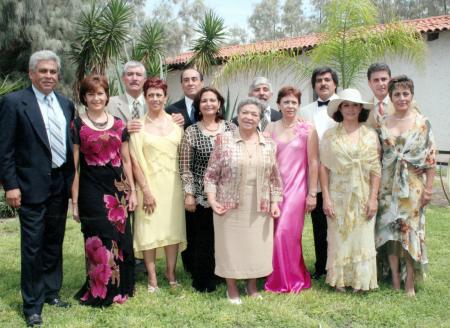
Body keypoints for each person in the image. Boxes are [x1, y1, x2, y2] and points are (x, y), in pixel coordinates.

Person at [0, 50, 75, 327]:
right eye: (43, 71)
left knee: (54, 241)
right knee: (33, 246)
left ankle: (51, 292)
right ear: (32, 73)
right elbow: (4, 149)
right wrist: (11, 185)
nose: (48, 76)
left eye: (53, 72)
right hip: (30, 187)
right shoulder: (13, 102)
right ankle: (32, 305)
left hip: (59, 184)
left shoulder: (66, 104)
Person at [204, 97, 282, 304]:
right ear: (238, 115)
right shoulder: (224, 140)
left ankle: (252, 285)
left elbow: (274, 177)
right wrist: (212, 199)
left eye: (254, 114)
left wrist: (275, 202)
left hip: (260, 203)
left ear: (260, 118)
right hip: (228, 203)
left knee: (256, 246)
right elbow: (211, 174)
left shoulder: (269, 144)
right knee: (230, 246)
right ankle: (231, 288)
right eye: (245, 113)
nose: (249, 117)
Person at [71, 75, 137, 306]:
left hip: (118, 191)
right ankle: (100, 290)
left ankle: (121, 287)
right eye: (91, 94)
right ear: (84, 97)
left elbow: (126, 160)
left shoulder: (119, 124)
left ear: (107, 96)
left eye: (100, 93)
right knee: (99, 238)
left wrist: (133, 192)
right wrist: (75, 202)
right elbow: (74, 167)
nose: (96, 98)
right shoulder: (77, 124)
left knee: (119, 239)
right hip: (91, 191)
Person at [375, 75, 436, 297]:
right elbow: (377, 156)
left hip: (412, 187)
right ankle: (394, 278)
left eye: (405, 93)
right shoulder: (382, 122)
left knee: (410, 232)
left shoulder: (422, 123)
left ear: (412, 95)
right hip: (386, 186)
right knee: (390, 232)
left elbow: (430, 159)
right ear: (390, 97)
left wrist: (429, 189)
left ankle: (409, 280)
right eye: (397, 94)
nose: (402, 98)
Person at [319, 88, 381, 292]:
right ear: (340, 108)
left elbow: (375, 170)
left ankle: (361, 281)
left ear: (361, 108)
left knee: (362, 237)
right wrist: (326, 198)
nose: (351, 109)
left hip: (363, 195)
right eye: (346, 105)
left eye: (355, 105)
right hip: (338, 195)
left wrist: (373, 199)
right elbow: (324, 168)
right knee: (338, 236)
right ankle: (340, 280)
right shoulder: (330, 135)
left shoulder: (370, 135)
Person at [130, 78, 186, 292]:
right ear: (145, 98)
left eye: (159, 94)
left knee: (172, 230)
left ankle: (171, 273)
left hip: (173, 188)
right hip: (149, 188)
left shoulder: (176, 123)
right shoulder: (138, 126)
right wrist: (145, 190)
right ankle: (152, 278)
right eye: (150, 95)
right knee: (149, 232)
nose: (155, 98)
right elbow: (135, 161)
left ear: (165, 97)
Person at [179, 87, 236, 292]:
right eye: (204, 101)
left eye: (213, 100)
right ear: (198, 106)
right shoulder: (191, 132)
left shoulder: (231, 128)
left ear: (220, 104)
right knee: (204, 238)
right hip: (202, 196)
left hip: (228, 194)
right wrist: (189, 194)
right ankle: (204, 279)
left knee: (227, 237)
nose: (209, 104)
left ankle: (226, 274)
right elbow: (185, 168)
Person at [264, 86, 318, 293]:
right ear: (278, 104)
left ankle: (291, 279)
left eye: (294, 102)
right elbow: (266, 161)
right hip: (275, 189)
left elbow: (313, 162)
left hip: (297, 189)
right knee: (276, 233)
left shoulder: (307, 128)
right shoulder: (270, 128)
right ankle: (278, 275)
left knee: (286, 234)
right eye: (286, 102)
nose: (290, 106)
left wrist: (312, 193)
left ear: (299, 105)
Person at [299, 66, 339, 280]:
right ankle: (321, 266)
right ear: (314, 86)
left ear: (335, 83)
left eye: (327, 79)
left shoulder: (347, 107)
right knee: (319, 224)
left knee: (340, 222)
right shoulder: (305, 112)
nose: (323, 83)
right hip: (315, 174)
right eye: (319, 81)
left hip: (341, 176)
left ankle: (339, 265)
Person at [166, 67, 204, 273]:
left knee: (206, 221)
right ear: (181, 85)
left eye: (194, 79)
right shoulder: (171, 110)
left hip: (209, 174)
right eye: (186, 80)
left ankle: (209, 259)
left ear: (201, 82)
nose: (190, 83)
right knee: (188, 221)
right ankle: (189, 264)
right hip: (184, 173)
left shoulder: (212, 104)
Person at [366, 63, 393, 127]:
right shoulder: (365, 108)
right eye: (376, 80)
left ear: (390, 80)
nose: (380, 83)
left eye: (383, 79)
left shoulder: (402, 104)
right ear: (369, 83)